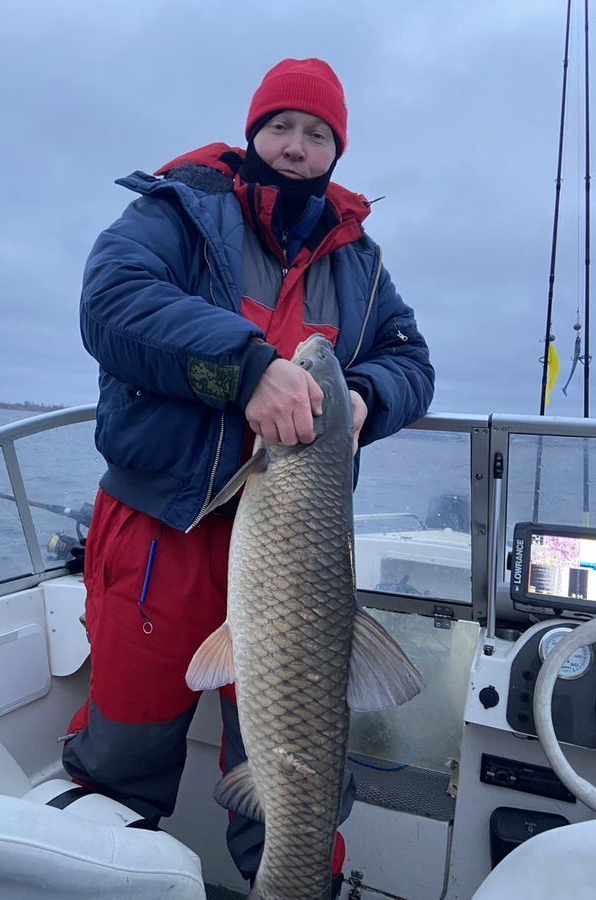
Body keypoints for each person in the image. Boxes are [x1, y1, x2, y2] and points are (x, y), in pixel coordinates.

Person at [63, 58, 435, 894]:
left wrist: (370, 394)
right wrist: (246, 368)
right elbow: (112, 300)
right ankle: (91, 872)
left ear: (337, 149)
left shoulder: (361, 263)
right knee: (120, 755)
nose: (296, 148)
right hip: (162, 533)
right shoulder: (179, 213)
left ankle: (296, 877)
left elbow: (412, 360)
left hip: (298, 553)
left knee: (297, 769)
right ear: (252, 131)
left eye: (317, 134)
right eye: (281, 128)